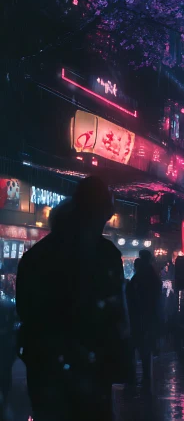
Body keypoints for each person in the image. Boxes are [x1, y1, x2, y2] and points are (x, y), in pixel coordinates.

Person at [17, 176, 133, 419]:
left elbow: (27, 313)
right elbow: (116, 317)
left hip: (46, 372)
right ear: (99, 211)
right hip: (90, 374)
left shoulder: (36, 256)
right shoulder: (106, 256)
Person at [126, 250, 163, 390]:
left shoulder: (139, 278)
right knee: (145, 351)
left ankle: (133, 378)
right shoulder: (153, 277)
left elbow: (131, 296)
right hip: (148, 318)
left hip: (138, 318)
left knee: (135, 349)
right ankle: (146, 378)